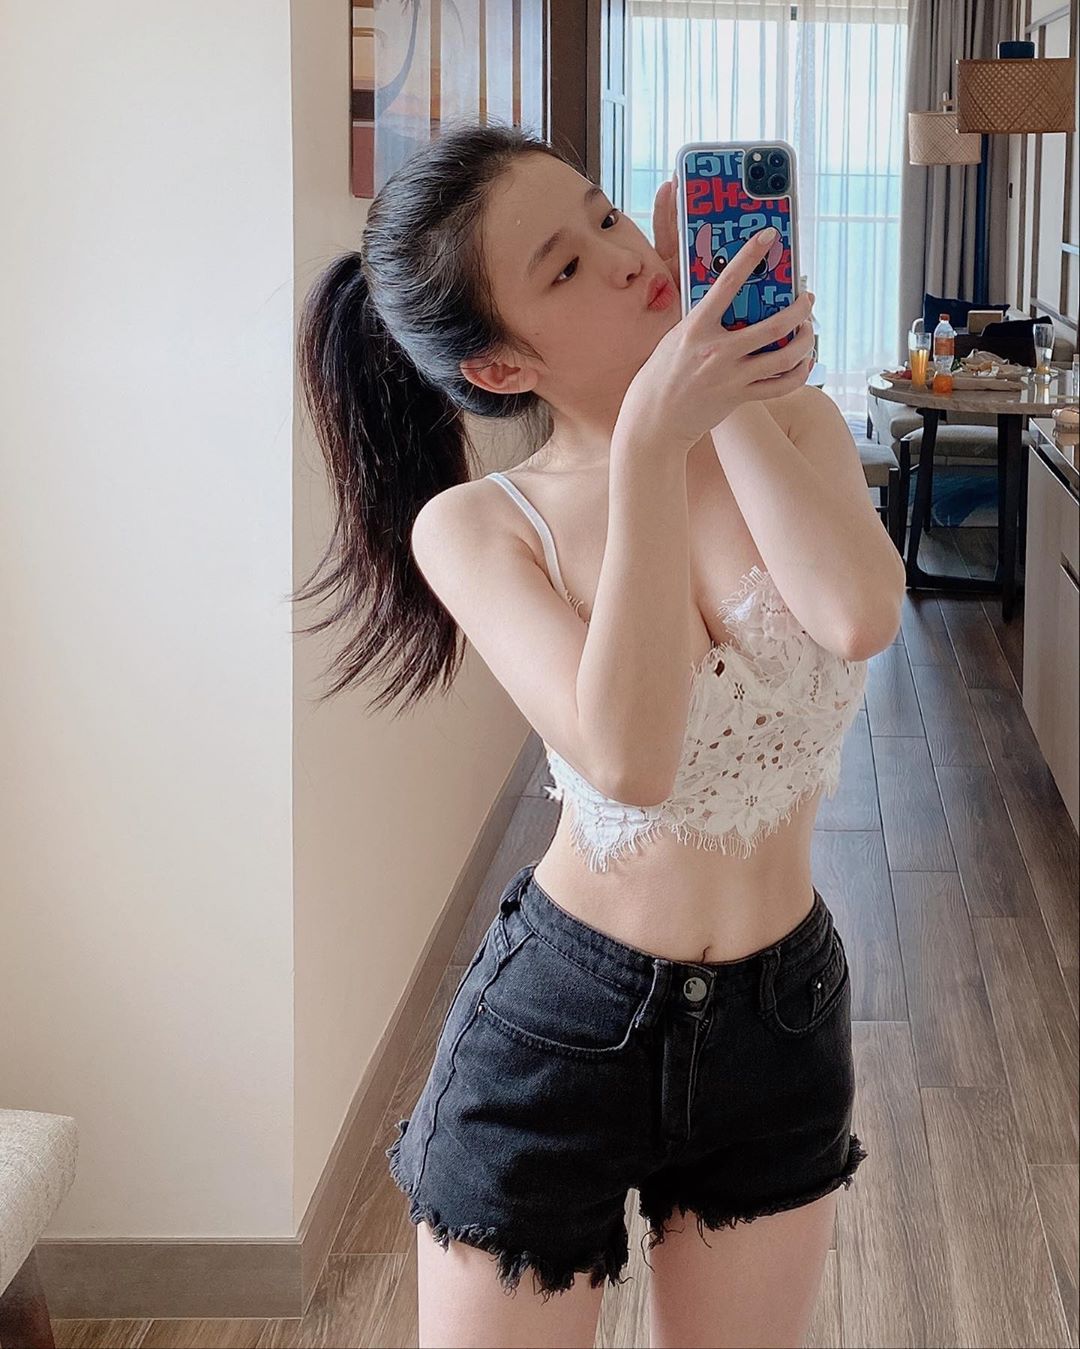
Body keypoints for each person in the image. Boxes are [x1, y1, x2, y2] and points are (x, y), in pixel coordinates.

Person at [294, 121, 905, 1349]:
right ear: (503, 364)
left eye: (606, 215)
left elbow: (857, 614)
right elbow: (631, 757)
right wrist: (645, 446)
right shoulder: (479, 528)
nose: (627, 257)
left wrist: (720, 389)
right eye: (565, 267)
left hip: (781, 1018)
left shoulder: (793, 422)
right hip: (562, 1030)